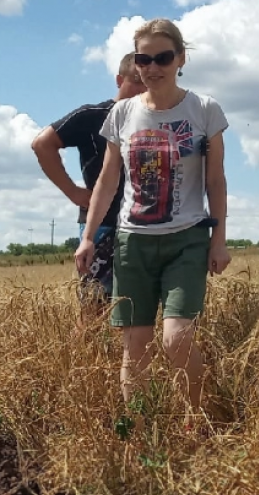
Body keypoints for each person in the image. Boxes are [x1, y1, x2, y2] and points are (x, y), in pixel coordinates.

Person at [73, 18, 230, 418]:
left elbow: (215, 181)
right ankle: (141, 433)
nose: (153, 66)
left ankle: (198, 421)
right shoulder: (123, 114)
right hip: (132, 242)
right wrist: (88, 237)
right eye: (144, 58)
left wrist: (219, 239)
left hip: (187, 239)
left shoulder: (205, 110)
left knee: (176, 339)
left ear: (180, 58)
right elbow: (108, 181)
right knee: (134, 345)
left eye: (163, 57)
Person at [32, 53, 146, 321]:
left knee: (141, 307)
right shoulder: (93, 115)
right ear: (119, 80)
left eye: (148, 84)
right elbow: (42, 144)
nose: (142, 90)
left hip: (148, 225)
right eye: (135, 81)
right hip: (102, 225)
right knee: (94, 307)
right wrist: (72, 191)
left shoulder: (156, 119)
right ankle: (89, 361)